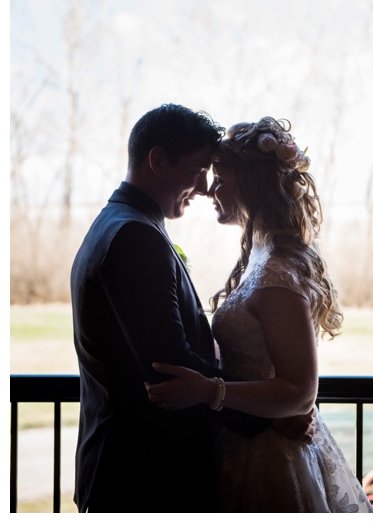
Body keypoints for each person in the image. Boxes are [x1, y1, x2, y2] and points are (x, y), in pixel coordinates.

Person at [70, 104, 303, 513]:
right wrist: (268, 414)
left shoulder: (122, 224)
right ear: (157, 160)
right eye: (197, 171)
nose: (202, 187)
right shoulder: (133, 237)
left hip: (135, 467)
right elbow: (169, 365)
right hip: (143, 475)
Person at [145, 117, 373, 513]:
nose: (210, 190)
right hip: (250, 435)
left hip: (272, 456)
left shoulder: (276, 274)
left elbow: (300, 391)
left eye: (221, 179)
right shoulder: (258, 256)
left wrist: (207, 390)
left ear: (251, 183)